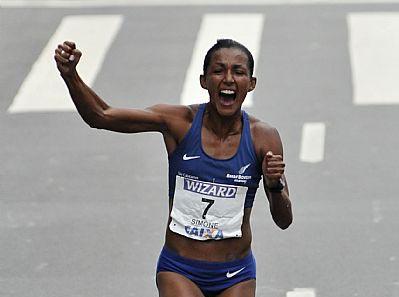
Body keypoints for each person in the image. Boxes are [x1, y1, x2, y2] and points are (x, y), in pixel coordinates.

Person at [54, 38, 292, 297]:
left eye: (238, 72)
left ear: (251, 83)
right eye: (218, 70)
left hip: (236, 274)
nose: (228, 79)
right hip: (180, 269)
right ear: (204, 81)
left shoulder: (263, 138)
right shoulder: (179, 123)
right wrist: (71, 76)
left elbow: (284, 220)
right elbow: (101, 115)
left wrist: (274, 185)